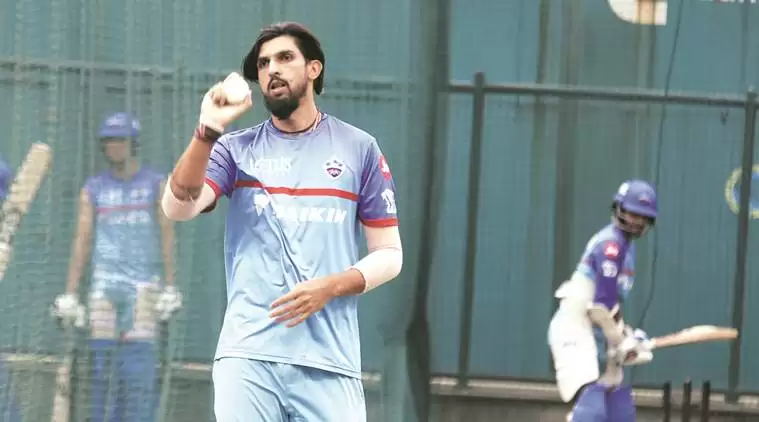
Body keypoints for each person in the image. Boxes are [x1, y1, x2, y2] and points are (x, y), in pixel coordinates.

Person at [161, 21, 403, 422]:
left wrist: (330, 286)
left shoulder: (359, 148)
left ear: (314, 68)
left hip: (330, 361)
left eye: (285, 58)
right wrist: (207, 131)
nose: (272, 69)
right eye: (263, 64)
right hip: (248, 358)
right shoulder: (234, 149)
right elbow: (177, 207)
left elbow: (390, 255)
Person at [52, 112, 182, 422]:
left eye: (120, 140)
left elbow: (167, 234)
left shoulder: (155, 183)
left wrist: (170, 285)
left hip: (144, 286)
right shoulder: (94, 188)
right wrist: (70, 293)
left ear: (133, 143)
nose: (114, 147)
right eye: (108, 141)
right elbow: (82, 238)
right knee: (103, 366)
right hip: (104, 285)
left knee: (138, 369)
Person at [548, 179, 658, 422]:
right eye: (632, 213)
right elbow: (602, 303)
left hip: (597, 331)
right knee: (592, 408)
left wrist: (627, 334)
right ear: (618, 209)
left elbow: (611, 306)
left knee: (619, 408)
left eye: (642, 217)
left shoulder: (627, 248)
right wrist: (623, 339)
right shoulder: (611, 244)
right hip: (574, 329)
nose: (636, 221)